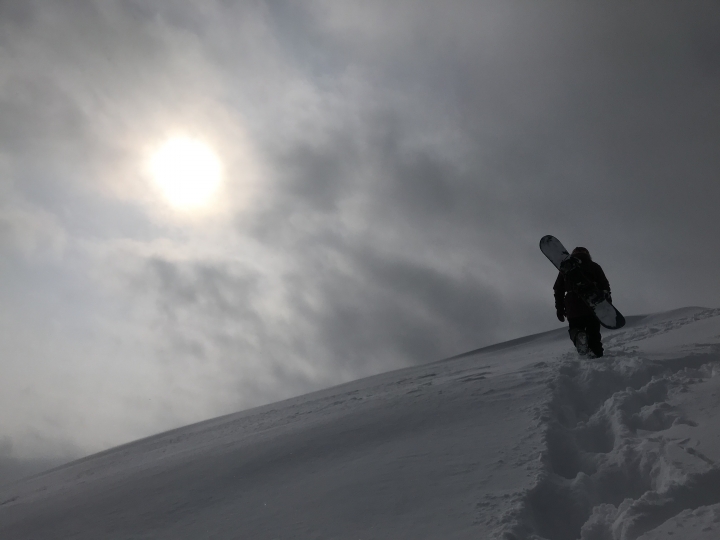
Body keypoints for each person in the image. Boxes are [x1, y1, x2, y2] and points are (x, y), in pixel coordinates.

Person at [553, 247, 611, 358]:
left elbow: (558, 289)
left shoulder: (565, 267)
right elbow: (605, 286)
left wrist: (559, 308)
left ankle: (578, 335)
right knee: (594, 334)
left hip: (572, 306)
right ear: (588, 254)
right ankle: (596, 353)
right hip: (593, 305)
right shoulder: (594, 266)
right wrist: (607, 305)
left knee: (575, 329)